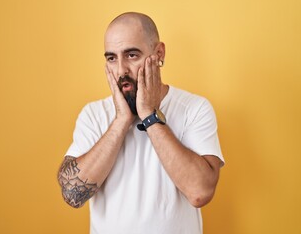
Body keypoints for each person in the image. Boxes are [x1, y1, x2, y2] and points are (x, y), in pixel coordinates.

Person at [58, 12, 224, 234]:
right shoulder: (93, 114)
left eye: (132, 55)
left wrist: (150, 115)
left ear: (159, 53)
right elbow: (71, 194)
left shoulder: (194, 108)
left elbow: (200, 192)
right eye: (111, 58)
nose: (121, 70)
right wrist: (120, 121)